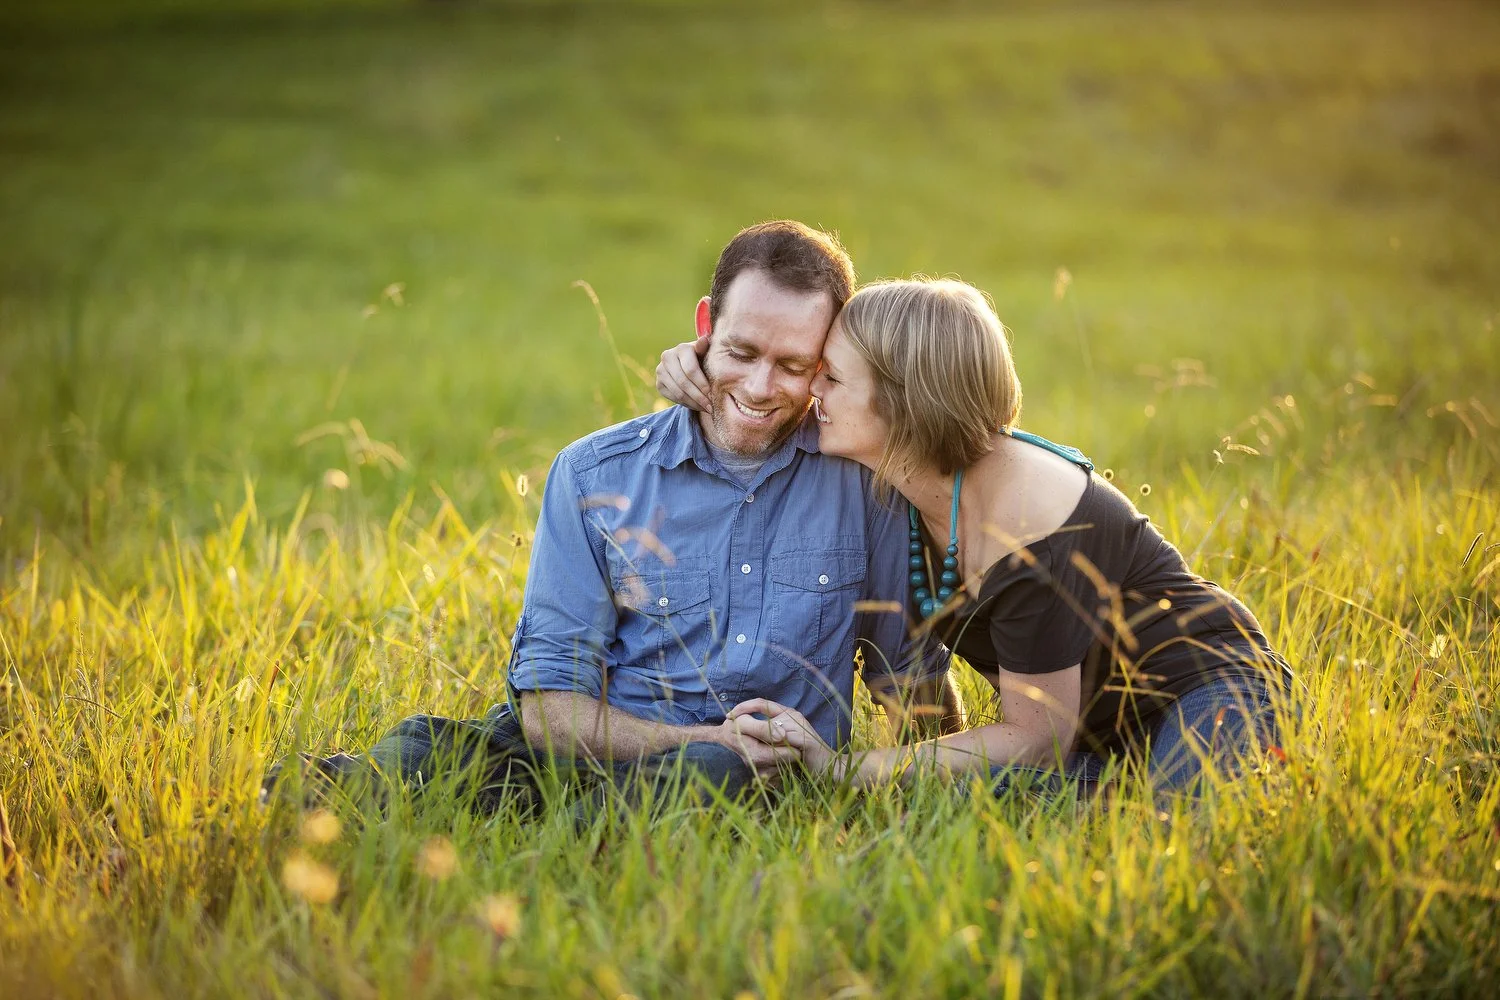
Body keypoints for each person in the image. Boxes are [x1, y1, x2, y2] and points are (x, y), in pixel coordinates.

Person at [263, 223, 954, 813]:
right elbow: (548, 712)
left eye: (792, 364)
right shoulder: (595, 473)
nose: (758, 387)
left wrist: (940, 783)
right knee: (433, 750)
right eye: (740, 353)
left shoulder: (867, 485)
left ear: (827, 361)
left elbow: (913, 688)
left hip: (748, 774)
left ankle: (573, 826)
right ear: (705, 327)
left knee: (716, 775)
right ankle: (347, 793)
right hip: (596, 748)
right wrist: (700, 740)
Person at [656, 277, 1296, 795]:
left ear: (903, 402)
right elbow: (758, 404)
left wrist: (846, 770)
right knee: (956, 800)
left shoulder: (1028, 518)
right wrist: (700, 368)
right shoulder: (898, 475)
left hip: (1211, 689)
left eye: (831, 377)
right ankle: (1116, 790)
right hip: (1095, 733)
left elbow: (1034, 738)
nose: (810, 392)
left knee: (1176, 834)